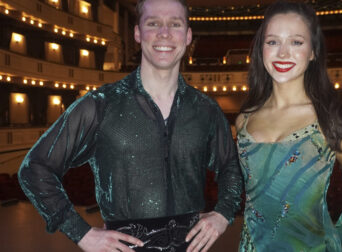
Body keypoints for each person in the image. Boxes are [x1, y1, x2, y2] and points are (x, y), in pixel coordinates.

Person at [18, 0, 242, 251]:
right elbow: (35, 168)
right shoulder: (100, 103)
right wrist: (81, 233)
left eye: (175, 24)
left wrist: (223, 213)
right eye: (153, 23)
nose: (164, 33)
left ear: (188, 35)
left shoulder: (206, 109)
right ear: (137, 33)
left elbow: (230, 166)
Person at [235, 1, 342, 251]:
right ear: (261, 50)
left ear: (313, 52)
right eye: (272, 42)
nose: (282, 53)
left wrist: (334, 245)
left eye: (296, 42)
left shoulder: (333, 120)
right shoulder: (244, 119)